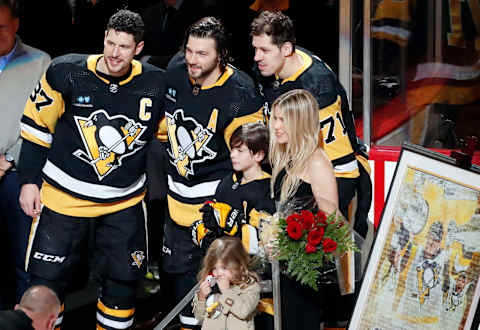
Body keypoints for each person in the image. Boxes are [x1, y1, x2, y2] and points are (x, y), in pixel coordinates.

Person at [17, 9, 165, 329]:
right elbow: (36, 129)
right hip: (62, 199)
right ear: (104, 38)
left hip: (123, 202)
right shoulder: (65, 70)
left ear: (138, 48)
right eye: (110, 43)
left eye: (124, 47)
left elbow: (170, 138)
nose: (114, 53)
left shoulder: (156, 82)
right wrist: (29, 181)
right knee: (45, 285)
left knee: (123, 284)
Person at [161, 16, 264, 329]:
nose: (192, 59)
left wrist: (233, 212)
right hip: (174, 207)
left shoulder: (241, 94)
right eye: (189, 51)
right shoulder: (176, 70)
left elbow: (250, 161)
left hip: (216, 214)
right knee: (182, 297)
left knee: (220, 306)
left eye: (202, 54)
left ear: (221, 55)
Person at [250, 10, 372, 239]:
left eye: (264, 50)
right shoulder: (270, 67)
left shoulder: (318, 88)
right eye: (255, 48)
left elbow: (340, 163)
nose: (257, 57)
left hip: (330, 176)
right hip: (290, 171)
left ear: (286, 49)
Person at [269, 89, 340, 329]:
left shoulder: (317, 162)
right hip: (287, 264)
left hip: (306, 266)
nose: (276, 126)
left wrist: (294, 240)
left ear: (299, 122)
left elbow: (333, 221)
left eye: (283, 120)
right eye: (275, 118)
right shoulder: (285, 154)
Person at [0, 0, 50, 309]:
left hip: (18, 177)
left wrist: (8, 160)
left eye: (1, 28)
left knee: (24, 259)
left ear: (16, 24)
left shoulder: (40, 62)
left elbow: (46, 125)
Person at [191, 122, 275, 255]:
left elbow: (264, 242)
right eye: (232, 149)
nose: (232, 155)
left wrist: (235, 227)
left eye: (240, 151)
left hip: (248, 268)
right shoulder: (228, 180)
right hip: (223, 261)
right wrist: (206, 233)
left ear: (259, 155)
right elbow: (213, 215)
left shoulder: (267, 189)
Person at [193, 236, 261, 330]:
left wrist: (226, 291)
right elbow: (199, 318)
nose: (219, 273)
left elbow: (243, 311)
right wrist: (201, 298)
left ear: (240, 265)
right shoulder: (213, 286)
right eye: (214, 268)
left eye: (224, 268)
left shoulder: (251, 287)